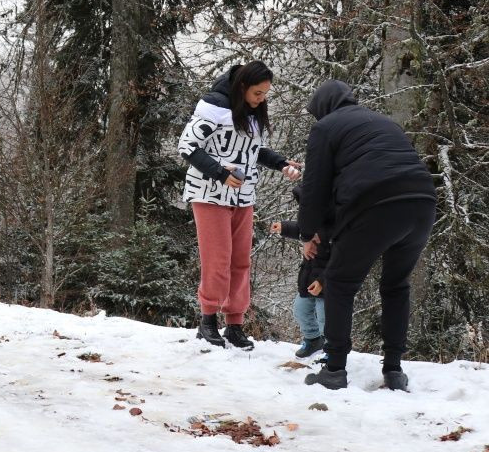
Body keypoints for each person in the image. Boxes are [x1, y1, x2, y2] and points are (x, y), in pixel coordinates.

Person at [298, 80, 436, 391]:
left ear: (322, 109)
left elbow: (314, 188)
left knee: (340, 283)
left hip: (376, 205)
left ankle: (334, 369)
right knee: (396, 285)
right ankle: (394, 369)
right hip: (422, 201)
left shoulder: (326, 127)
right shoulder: (383, 122)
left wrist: (308, 232)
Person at [178, 61, 301, 350]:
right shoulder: (214, 109)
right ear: (243, 87)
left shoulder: (252, 114)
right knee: (217, 259)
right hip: (209, 194)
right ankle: (208, 320)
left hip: (244, 197)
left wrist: (282, 163)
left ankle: (234, 323)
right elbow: (186, 145)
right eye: (258, 93)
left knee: (241, 261)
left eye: (265, 94)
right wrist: (220, 173)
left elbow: (254, 151)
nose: (262, 99)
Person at [270, 184, 331, 359]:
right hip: (308, 278)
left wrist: (322, 281)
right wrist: (283, 227)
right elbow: (301, 230)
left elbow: (341, 261)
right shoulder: (311, 224)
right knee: (300, 309)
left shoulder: (336, 228)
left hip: (328, 284)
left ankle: (331, 348)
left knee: (325, 318)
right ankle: (313, 339)